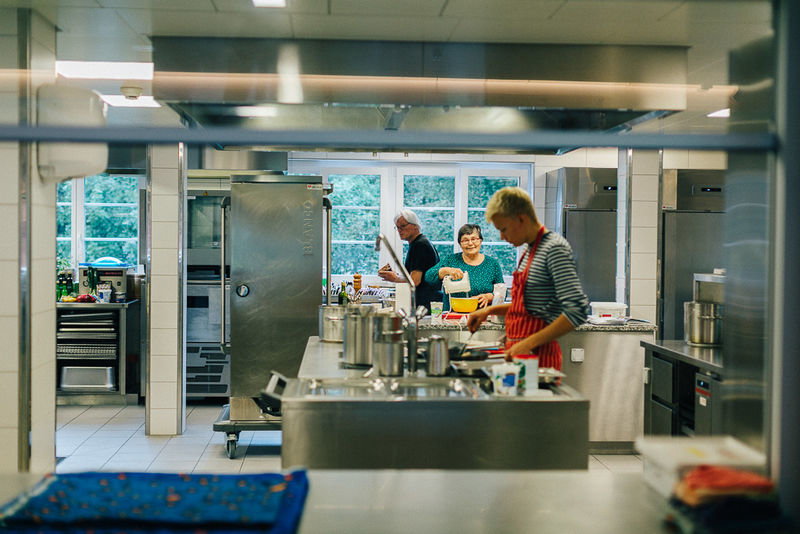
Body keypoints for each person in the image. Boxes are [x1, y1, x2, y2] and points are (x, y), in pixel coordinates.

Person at [466, 187, 589, 370]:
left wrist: (527, 344)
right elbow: (530, 306)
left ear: (521, 219)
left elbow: (577, 310)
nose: (501, 236)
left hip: (538, 360)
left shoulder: (554, 248)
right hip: (521, 356)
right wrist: (488, 311)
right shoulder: (530, 250)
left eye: (504, 229)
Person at [424, 223, 504, 311]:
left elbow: (502, 292)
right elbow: (428, 277)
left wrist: (490, 296)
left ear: (481, 241)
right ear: (460, 243)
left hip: (482, 316)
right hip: (452, 317)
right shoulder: (451, 260)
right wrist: (446, 270)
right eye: (465, 240)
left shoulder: (492, 264)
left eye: (474, 239)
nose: (470, 243)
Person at [378, 209, 441, 312]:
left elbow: (415, 281)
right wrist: (396, 276)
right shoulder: (419, 243)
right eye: (397, 227)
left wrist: (395, 278)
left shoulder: (419, 245)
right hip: (428, 303)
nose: (399, 230)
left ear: (415, 226)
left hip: (425, 305)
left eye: (403, 226)